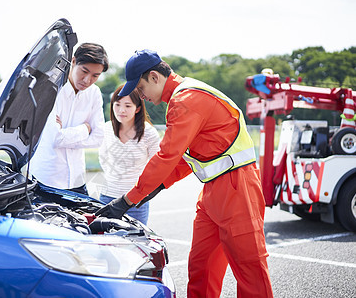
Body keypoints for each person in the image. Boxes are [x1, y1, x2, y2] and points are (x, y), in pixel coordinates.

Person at [96, 50, 273, 297]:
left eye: (141, 87)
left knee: (249, 269)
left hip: (238, 189)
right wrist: (155, 187)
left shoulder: (186, 100)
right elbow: (186, 158)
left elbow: (167, 156)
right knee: (202, 267)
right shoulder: (183, 99)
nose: (141, 96)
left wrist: (129, 199)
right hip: (213, 191)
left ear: (155, 77)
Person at [30, 43, 109, 196]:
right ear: (73, 61)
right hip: (47, 179)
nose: (87, 80)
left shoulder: (94, 93)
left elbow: (98, 138)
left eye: (95, 76)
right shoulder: (50, 89)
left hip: (77, 180)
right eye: (84, 71)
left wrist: (66, 135)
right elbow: (56, 138)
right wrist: (85, 129)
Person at [98, 84, 160, 224]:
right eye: (117, 104)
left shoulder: (149, 133)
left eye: (127, 106)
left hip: (135, 202)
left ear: (137, 108)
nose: (121, 110)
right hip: (107, 197)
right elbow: (102, 158)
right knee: (104, 241)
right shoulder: (106, 129)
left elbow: (156, 166)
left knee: (134, 243)